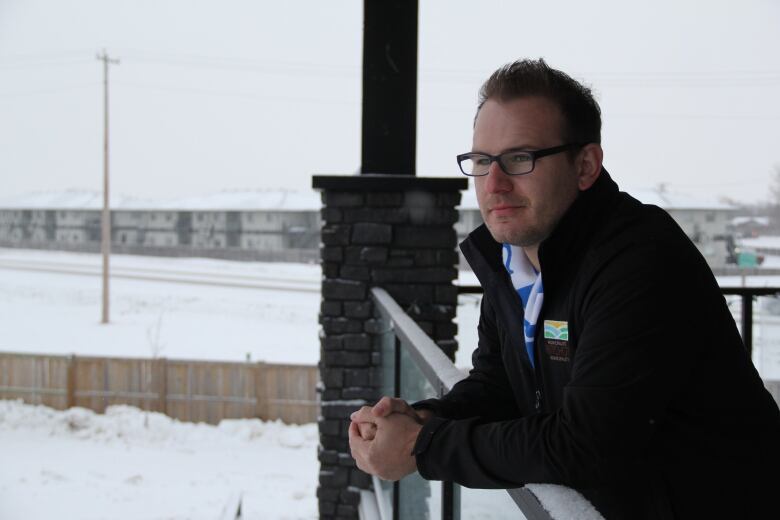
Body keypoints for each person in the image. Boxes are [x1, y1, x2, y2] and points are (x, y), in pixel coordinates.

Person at [348, 58, 780, 519]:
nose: (494, 184)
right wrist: (425, 418)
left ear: (586, 165)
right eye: (481, 161)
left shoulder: (639, 260)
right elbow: (502, 387)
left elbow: (587, 444)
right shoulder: (513, 258)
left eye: (520, 158)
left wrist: (422, 446)